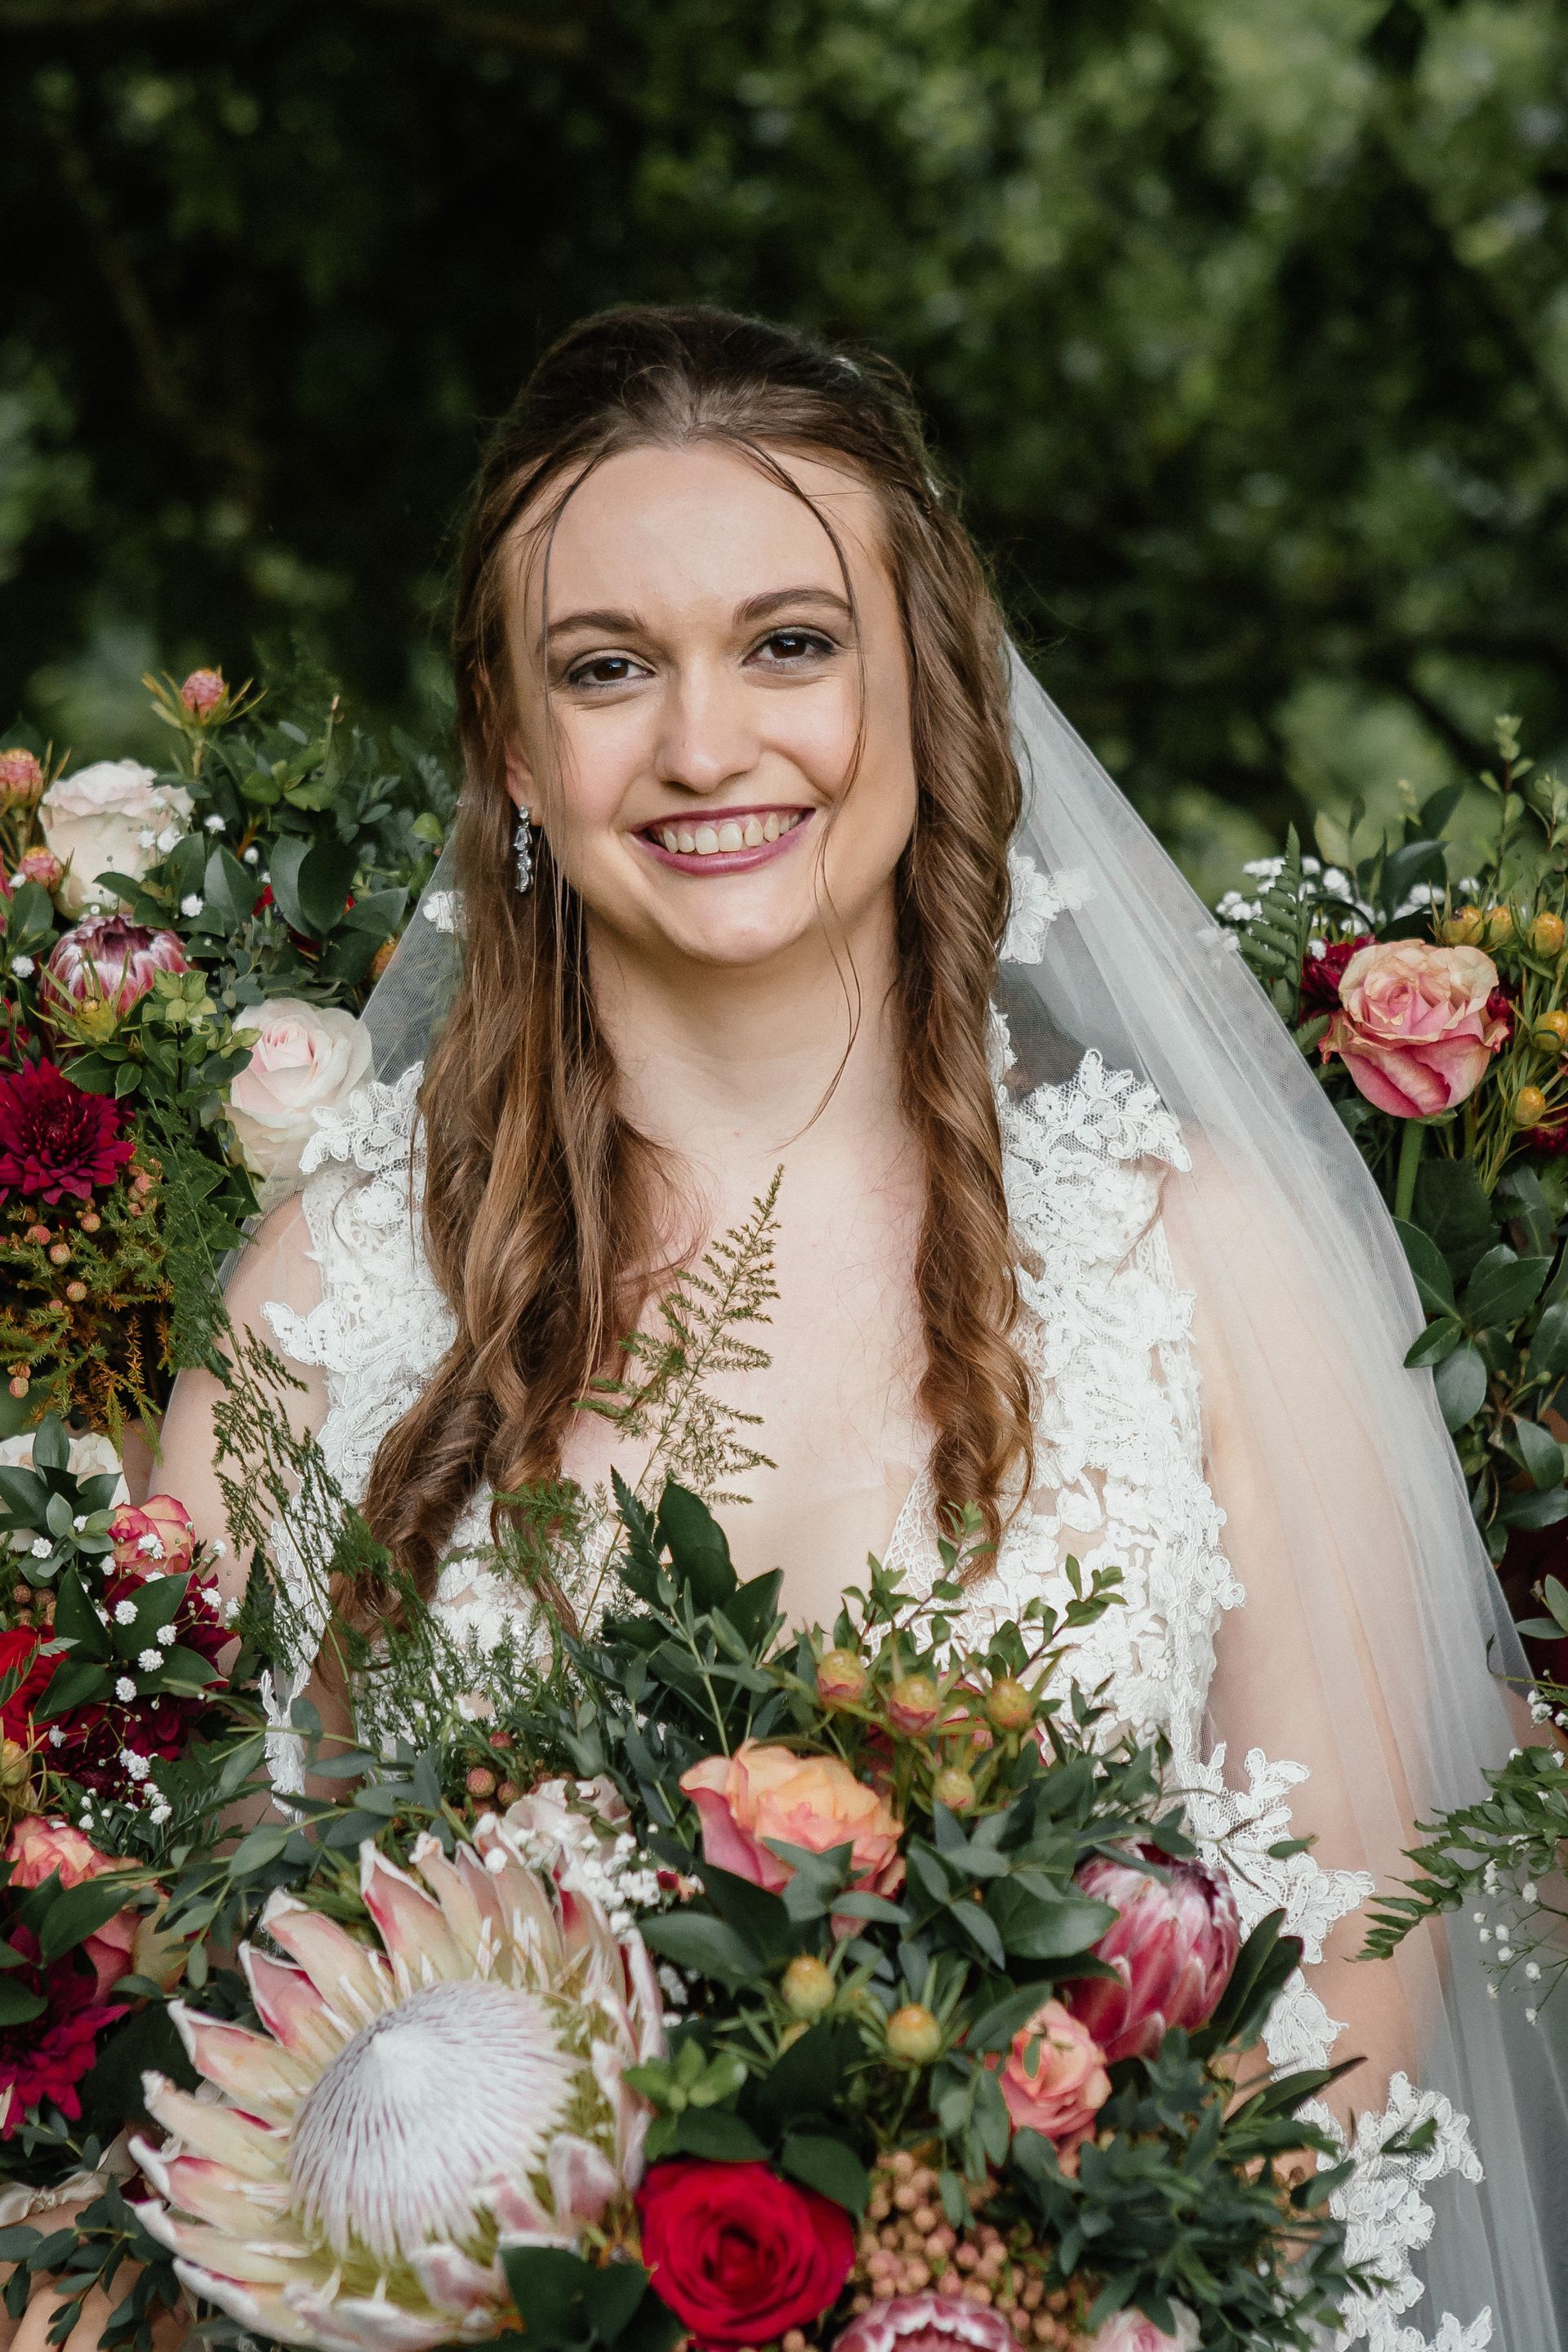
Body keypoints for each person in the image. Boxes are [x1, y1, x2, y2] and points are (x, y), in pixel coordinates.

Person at [18, 306, 1565, 2349]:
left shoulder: (1191, 1259)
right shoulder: (325, 1297)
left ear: (925, 679)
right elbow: (152, 1998)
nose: (703, 745)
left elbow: (1350, 2001)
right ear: (511, 743)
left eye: (790, 644)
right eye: (606, 667)